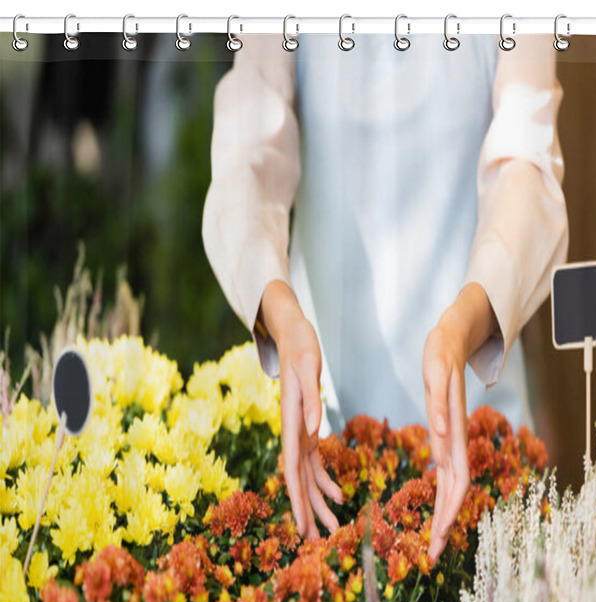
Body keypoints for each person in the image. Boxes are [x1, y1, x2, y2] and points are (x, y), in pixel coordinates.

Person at [202, 31, 568, 564]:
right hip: (321, 437)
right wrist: (278, 310)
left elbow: (526, 163)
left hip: (478, 432)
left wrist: (462, 326)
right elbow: (247, 147)